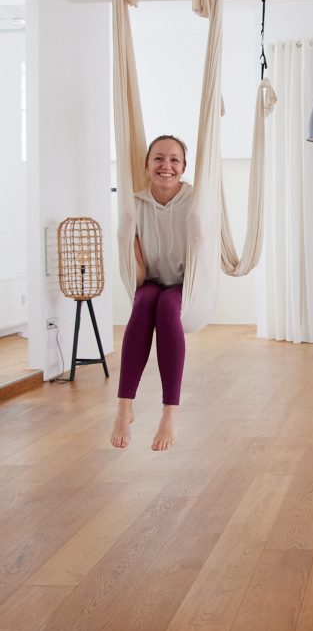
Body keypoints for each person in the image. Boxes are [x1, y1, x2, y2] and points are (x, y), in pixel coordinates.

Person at [110, 135, 193, 452]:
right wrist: (126, 234)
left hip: (186, 285)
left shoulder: (196, 202)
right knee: (145, 301)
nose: (166, 166)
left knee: (167, 306)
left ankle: (170, 412)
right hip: (151, 281)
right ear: (146, 165)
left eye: (174, 159)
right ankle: (124, 407)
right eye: (158, 158)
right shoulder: (134, 204)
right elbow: (141, 276)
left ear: (184, 167)